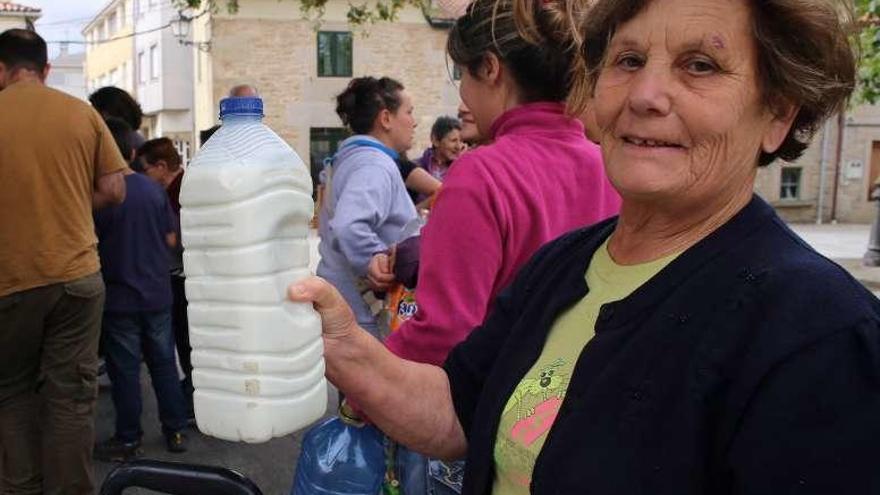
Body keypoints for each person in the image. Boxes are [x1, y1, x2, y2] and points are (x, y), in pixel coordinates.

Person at [291, 0, 880, 493]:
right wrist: (347, 349)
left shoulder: (817, 332)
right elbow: (458, 409)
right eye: (627, 60)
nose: (645, 94)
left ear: (777, 113)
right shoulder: (564, 263)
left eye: (700, 65)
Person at [363, 0, 620, 491]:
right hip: (583, 417)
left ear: (491, 69)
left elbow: (445, 332)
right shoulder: (607, 165)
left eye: (463, 73)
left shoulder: (481, 174)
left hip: (490, 421)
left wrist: (367, 377)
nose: (462, 93)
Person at [0, 29, 126, 494]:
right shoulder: (81, 112)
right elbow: (115, 189)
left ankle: (21, 487)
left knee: (11, 392)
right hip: (77, 276)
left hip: (9, 281)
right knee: (71, 397)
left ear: (0, 70)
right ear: (46, 69)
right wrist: (67, 200)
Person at [92, 118, 189, 461]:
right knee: (164, 363)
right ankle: (176, 430)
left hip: (119, 298)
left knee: (125, 371)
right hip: (158, 293)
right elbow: (171, 239)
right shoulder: (153, 191)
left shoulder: (98, 195)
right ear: (132, 152)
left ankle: (128, 439)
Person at [316, 76, 419, 337]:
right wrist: (375, 261)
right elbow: (349, 225)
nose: (414, 121)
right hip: (363, 315)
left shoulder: (353, 159)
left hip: (349, 306)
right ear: (386, 119)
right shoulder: (373, 165)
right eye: (409, 112)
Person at [136, 137, 193, 418]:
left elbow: (179, 240)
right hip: (181, 276)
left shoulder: (180, 191)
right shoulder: (176, 188)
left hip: (182, 277)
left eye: (145, 170)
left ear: (161, 167)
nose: (144, 177)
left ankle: (192, 402)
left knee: (186, 342)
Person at [89, 86, 147, 171]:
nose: (91, 117)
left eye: (94, 112)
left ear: (106, 114)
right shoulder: (137, 141)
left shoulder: (115, 142)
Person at [416, 116, 463, 183]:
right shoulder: (416, 167)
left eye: (461, 141)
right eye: (453, 140)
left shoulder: (462, 171)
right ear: (435, 140)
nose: (458, 147)